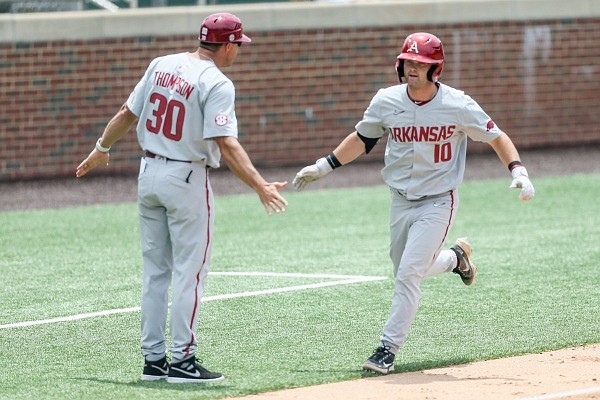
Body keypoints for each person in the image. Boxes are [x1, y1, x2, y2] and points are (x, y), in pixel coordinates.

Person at [293, 32, 535, 374]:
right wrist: (324, 165)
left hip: (438, 201)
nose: (412, 68)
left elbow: (497, 136)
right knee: (406, 270)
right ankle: (455, 259)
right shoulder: (387, 100)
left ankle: (386, 350)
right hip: (399, 200)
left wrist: (519, 170)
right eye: (408, 61)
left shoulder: (457, 104)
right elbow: (364, 138)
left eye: (420, 63)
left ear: (435, 69)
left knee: (408, 273)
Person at [76, 12, 288, 383]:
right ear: (226, 45)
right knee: (190, 271)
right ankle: (183, 361)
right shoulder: (217, 82)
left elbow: (128, 113)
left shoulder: (162, 64)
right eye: (238, 44)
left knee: (156, 273)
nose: (239, 50)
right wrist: (259, 185)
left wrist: (101, 146)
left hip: (148, 172)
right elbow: (226, 143)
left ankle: (154, 360)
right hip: (186, 177)